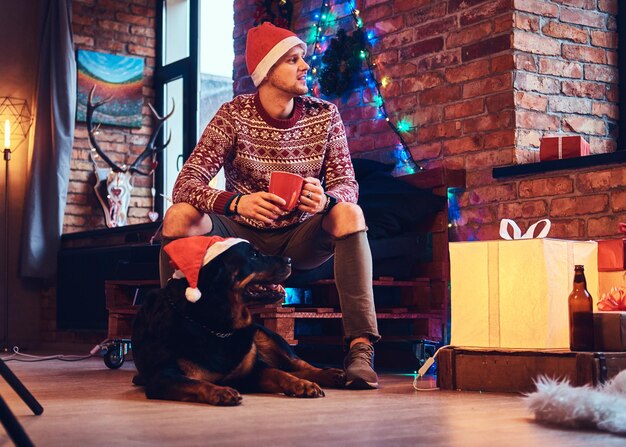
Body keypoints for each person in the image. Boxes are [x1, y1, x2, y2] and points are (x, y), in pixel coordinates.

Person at [161, 22, 380, 389]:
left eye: (303, 60)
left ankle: (360, 349)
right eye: (293, 60)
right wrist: (235, 204)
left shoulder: (324, 116)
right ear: (266, 71)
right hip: (237, 240)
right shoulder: (233, 115)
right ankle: (171, 343)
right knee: (178, 216)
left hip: (300, 238)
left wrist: (326, 199)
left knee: (349, 212)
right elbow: (185, 184)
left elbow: (347, 185)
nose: (305, 67)